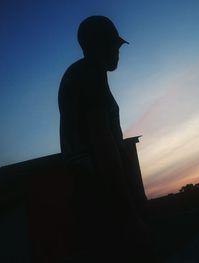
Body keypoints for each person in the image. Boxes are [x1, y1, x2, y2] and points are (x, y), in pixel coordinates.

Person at [58, 16, 152, 261]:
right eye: (114, 45)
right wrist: (128, 216)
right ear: (95, 45)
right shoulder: (91, 74)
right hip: (100, 193)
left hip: (89, 190)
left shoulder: (79, 73)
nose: (118, 52)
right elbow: (103, 143)